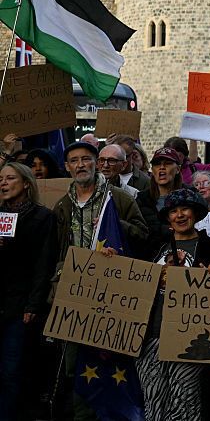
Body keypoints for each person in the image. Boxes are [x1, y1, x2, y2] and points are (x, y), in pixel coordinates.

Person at [53, 141, 148, 419]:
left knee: (114, 364)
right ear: (67, 167)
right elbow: (56, 250)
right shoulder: (61, 206)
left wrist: (117, 226)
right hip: (74, 295)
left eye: (86, 159)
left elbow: (144, 238)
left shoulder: (119, 199)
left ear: (97, 164)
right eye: (74, 161)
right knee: (76, 367)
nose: (81, 165)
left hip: (113, 294)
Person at [137, 188, 210, 421]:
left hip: (188, 338)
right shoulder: (154, 244)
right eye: (173, 211)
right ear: (167, 217)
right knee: (153, 396)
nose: (179, 215)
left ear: (195, 213)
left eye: (184, 209)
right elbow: (132, 274)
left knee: (184, 399)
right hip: (151, 335)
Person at [0, 162, 57, 421]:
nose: (3, 183)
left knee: (11, 371)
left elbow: (42, 264)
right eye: (0, 178)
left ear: (25, 183)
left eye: (10, 178)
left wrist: (33, 305)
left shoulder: (42, 217)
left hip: (20, 306)